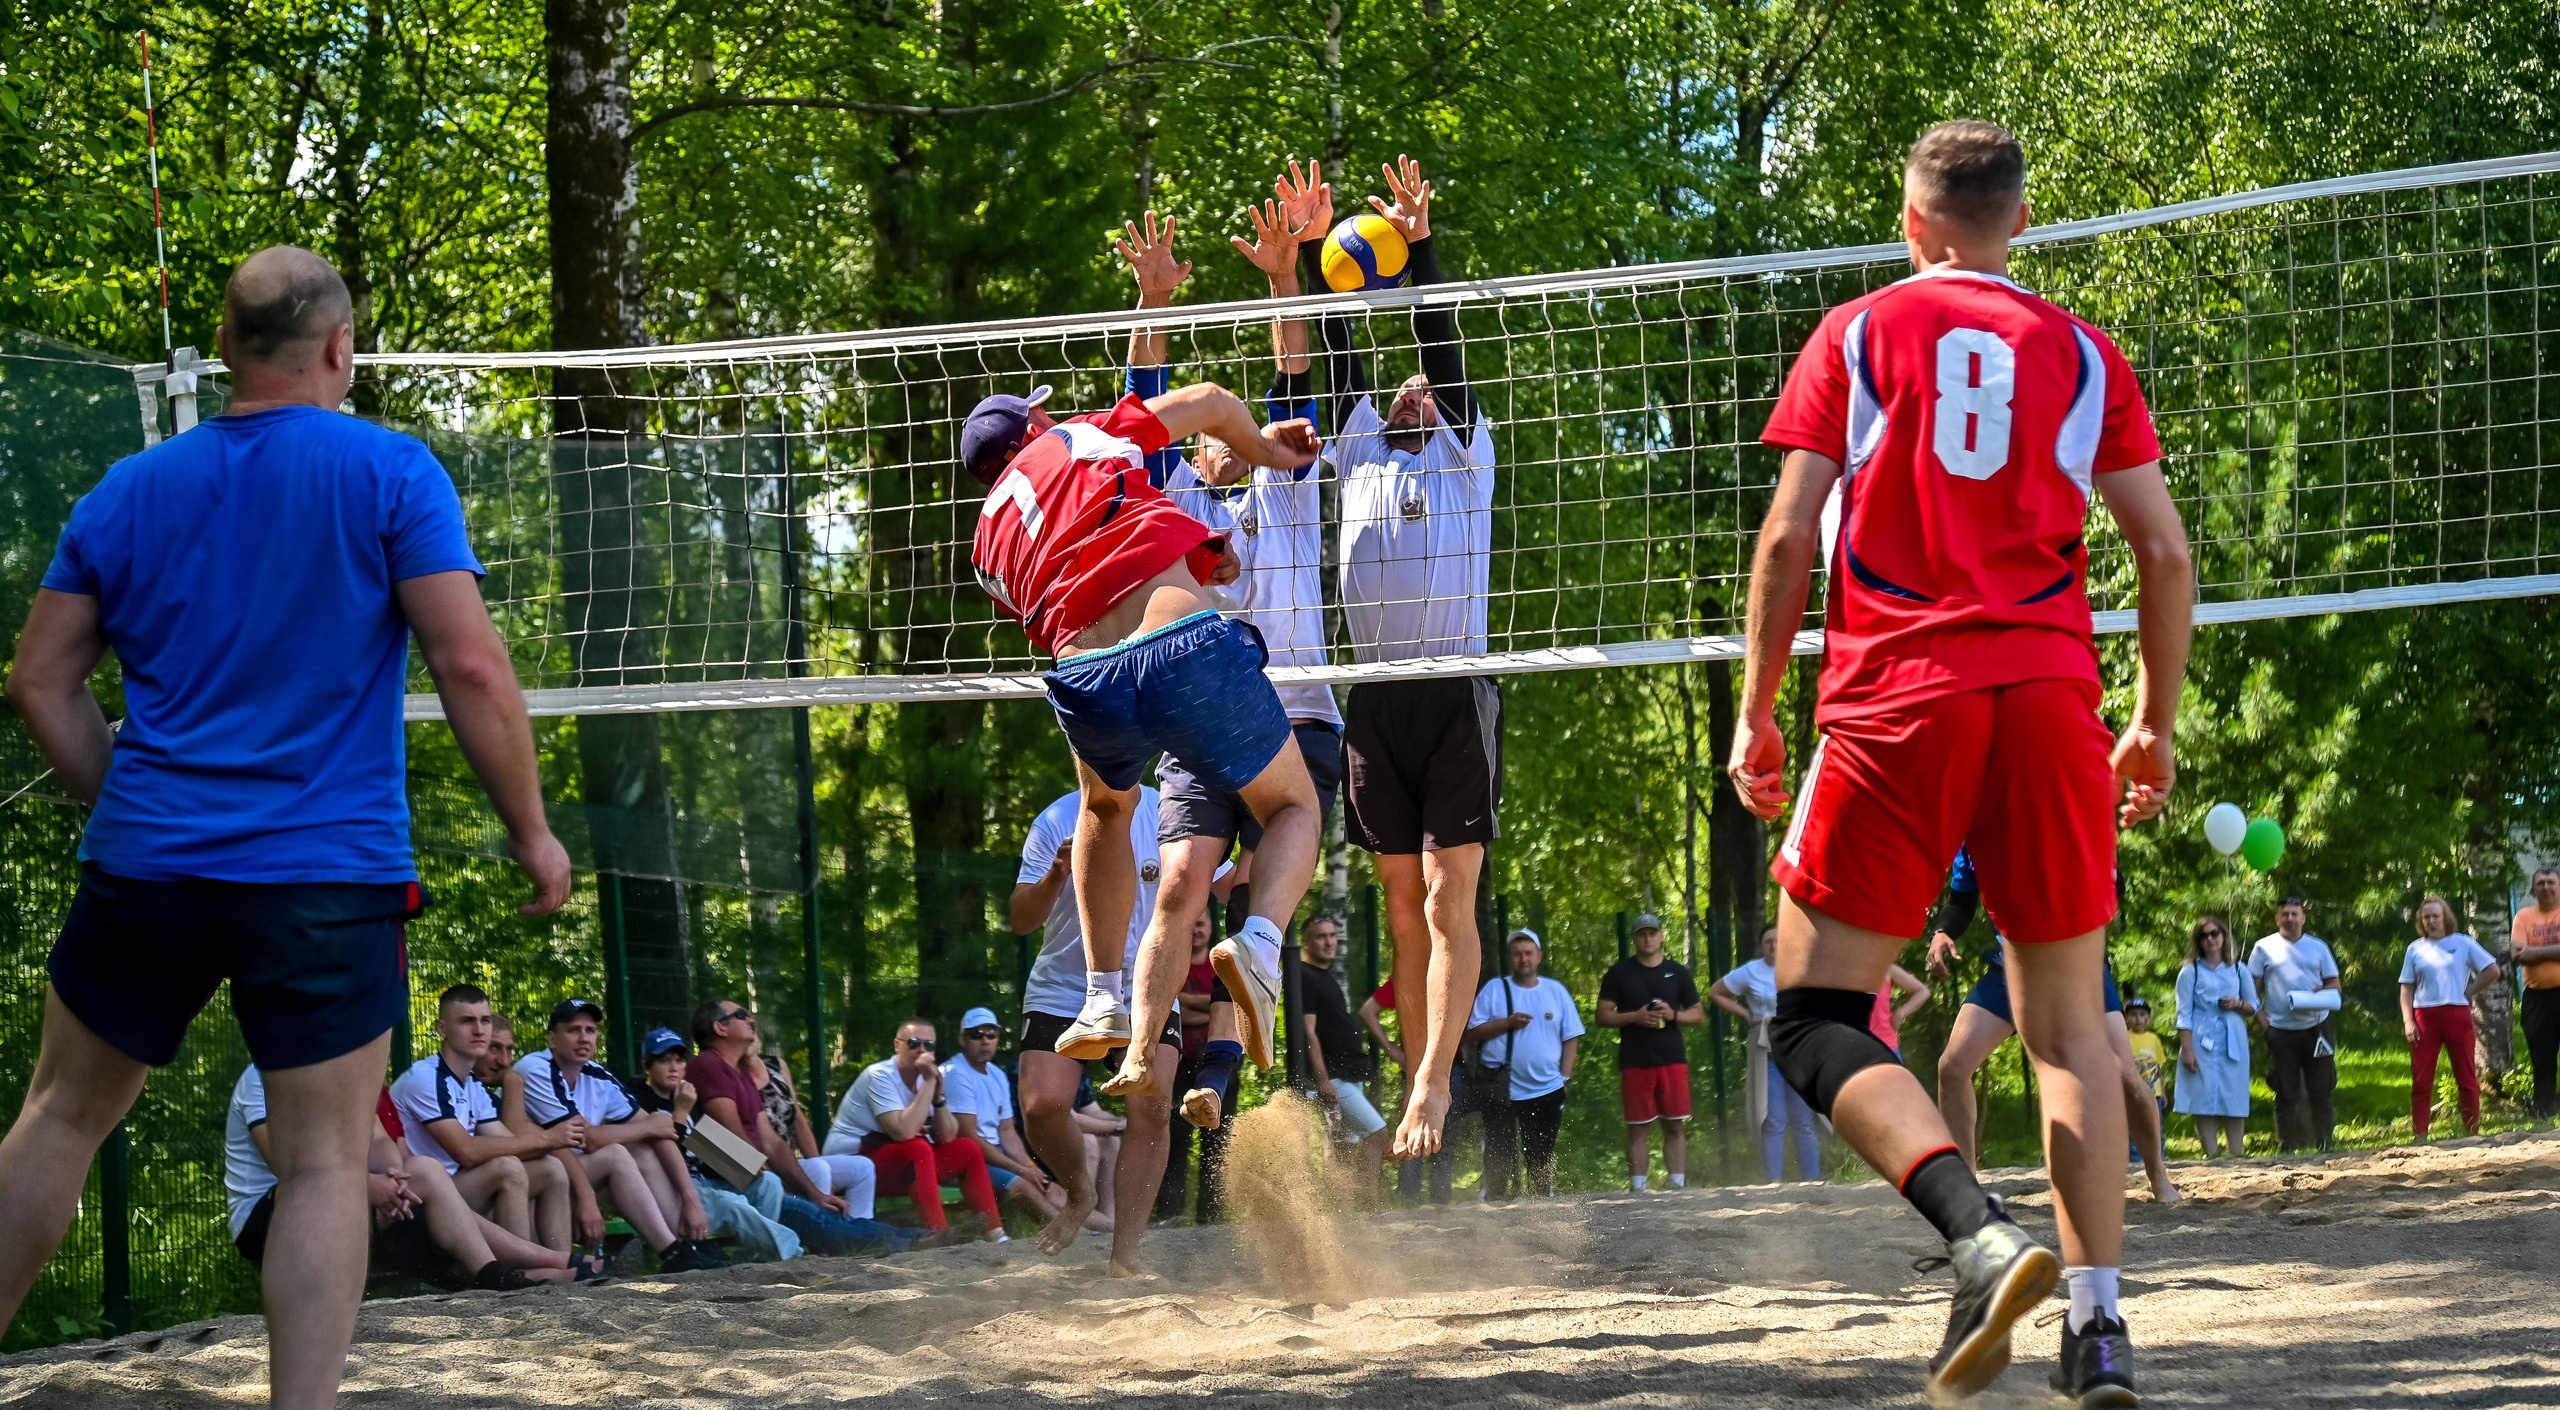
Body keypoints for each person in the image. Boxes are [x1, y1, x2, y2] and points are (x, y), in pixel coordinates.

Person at [0, 245, 571, 1410]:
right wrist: (531, 829)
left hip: (148, 867)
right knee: (320, 1165)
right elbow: (468, 663)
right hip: (325, 876)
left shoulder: (127, 490)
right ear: (339, 348)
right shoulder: (391, 471)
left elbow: (39, 684)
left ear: (224, 349)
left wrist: (128, 801)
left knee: (57, 1119)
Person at [1728, 121, 2193, 1403]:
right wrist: (2151, 721)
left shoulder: (1856, 333)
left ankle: (1978, 1237)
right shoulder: (2085, 350)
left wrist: (1758, 710)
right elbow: (2162, 550)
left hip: (1899, 697)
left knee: (1813, 1018)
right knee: (2070, 1031)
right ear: (2019, 221)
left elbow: (1788, 538)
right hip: (2049, 701)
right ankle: (2097, 1332)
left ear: (1911, 221)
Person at [961, 268, 1323, 1100]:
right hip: (1179, 649)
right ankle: (1260, 943)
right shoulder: (1078, 436)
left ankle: (1100, 997)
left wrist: (1196, 552)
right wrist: (1267, 450)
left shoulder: (985, 543)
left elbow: (1078, 570)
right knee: (1291, 807)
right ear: (1034, 426)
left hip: (1083, 675)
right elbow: (1205, 400)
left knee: (1104, 809)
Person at [1119, 181, 1348, 1109]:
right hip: (1204, 720)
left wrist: (1286, 277)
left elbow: (1294, 373)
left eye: (1231, 425)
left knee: (1263, 885)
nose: (1221, 435)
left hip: (1295, 708)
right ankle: (1141, 1049)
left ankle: (1231, 1030)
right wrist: (1153, 301)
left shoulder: (1284, 484)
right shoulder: (1173, 497)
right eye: (1207, 429)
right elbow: (1141, 408)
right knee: (1179, 886)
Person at [1314, 157, 1502, 1167]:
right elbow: (1337, 347)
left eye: (1430, 391)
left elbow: (1439, 340)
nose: (1416, 390)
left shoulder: (1465, 455)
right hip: (1375, 700)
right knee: (1399, 906)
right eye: (1406, 390)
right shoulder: (1358, 452)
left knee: (1443, 897)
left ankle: (1433, 1081)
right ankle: (1419, 1076)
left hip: (1453, 688)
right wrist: (1318, 250)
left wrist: (1418, 248)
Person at [1925, 849, 2177, 1203]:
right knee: (1952, 1067)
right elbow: (1961, 901)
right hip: (2012, 966)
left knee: (2123, 1076)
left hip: (2077, 961)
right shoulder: (1971, 839)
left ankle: (2157, 1175)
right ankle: (1966, 1187)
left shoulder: (2056, 818)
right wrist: (1942, 932)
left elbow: (2114, 886)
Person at [1006, 785, 1192, 1258]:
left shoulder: (1172, 811)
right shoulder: (1056, 818)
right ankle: (1080, 1193)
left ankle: (1125, 1254)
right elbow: (1020, 919)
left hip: (1146, 984)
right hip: (1066, 985)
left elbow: (1227, 880)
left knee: (1152, 1111)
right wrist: (1055, 876)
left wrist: (1273, 829)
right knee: (1042, 1106)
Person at [228, 1065, 594, 1291]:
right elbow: (286, 1166)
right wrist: (370, 1187)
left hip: (349, 1197)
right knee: (437, 1183)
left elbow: (379, 1141)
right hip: (270, 1216)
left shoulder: (342, 1071)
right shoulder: (262, 1077)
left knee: (423, 1179)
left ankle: (527, 1274)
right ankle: (541, 1264)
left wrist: (394, 1179)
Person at [508, 997, 722, 1273]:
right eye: (574, 1030)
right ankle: (674, 1251)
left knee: (643, 1151)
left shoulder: (599, 1076)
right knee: (619, 1153)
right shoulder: (535, 1068)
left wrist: (690, 1198)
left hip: (573, 1179)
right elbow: (585, 1139)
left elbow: (663, 1133)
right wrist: (657, 1124)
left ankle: (685, 1248)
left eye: (590, 1030)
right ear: (552, 1038)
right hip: (537, 1183)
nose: (584, 1037)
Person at [390, 985, 577, 1250]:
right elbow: (466, 1151)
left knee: (551, 1169)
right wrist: (547, 1139)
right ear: (442, 1029)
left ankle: (562, 1263)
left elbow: (510, 1143)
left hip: (456, 1188)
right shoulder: (426, 1078)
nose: (479, 1030)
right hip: (414, 1202)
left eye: (485, 1020)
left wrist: (551, 1141)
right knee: (507, 1169)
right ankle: (525, 1267)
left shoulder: (472, 1085)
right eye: (467, 1021)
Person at [687, 997, 857, 1246]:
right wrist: (761, 1170)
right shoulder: (708, 1064)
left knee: (823, 1215)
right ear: (720, 1028)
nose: (751, 1020)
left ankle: (905, 1238)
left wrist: (816, 1194)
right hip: (722, 1184)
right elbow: (730, 1136)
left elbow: (773, 1143)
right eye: (741, 1015)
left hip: (751, 1181)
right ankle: (904, 1240)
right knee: (821, 1222)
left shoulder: (739, 1072)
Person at [626, 1029, 794, 1263]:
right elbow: (664, 1153)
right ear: (647, 1067)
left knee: (769, 1183)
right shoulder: (636, 1101)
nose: (674, 1067)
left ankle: (757, 1257)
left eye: (679, 1060)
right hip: (675, 1186)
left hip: (706, 1178)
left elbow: (703, 1142)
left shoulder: (684, 1093)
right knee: (732, 1205)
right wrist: (681, 1112)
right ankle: (791, 1251)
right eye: (664, 1061)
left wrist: (745, 1163)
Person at [825, 1019, 1005, 1237]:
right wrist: (929, 1082)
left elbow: (947, 1136)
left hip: (895, 1165)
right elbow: (903, 1132)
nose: (922, 1050)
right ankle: (939, 1233)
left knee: (967, 1148)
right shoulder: (879, 1075)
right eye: (913, 1043)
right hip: (851, 1166)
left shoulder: (925, 1079)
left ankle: (996, 1233)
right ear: (897, 1045)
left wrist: (937, 1098)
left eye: (929, 1045)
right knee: (917, 1148)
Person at [1464, 930, 1584, 1199]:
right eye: (1517, 954)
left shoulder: (1556, 991)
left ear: (1539, 956)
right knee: (1498, 1152)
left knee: (1541, 1153)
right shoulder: (1495, 989)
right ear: (1510, 958)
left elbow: (1571, 1037)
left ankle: (1541, 1203)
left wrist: (1565, 1079)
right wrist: (1507, 1023)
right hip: (1501, 1087)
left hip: (1547, 1087)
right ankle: (1493, 1202)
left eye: (1528, 953)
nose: (1523, 959)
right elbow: (1472, 1031)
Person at [1596, 913, 1705, 1191]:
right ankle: (1638, 1188)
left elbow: (1698, 1013)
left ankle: (1677, 1184)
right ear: (1634, 938)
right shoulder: (1619, 973)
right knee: (1637, 1127)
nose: (1647, 939)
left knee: (1675, 1125)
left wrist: (1673, 1015)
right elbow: (1602, 1016)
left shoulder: (1678, 972)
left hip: (1672, 1059)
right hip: (1635, 1061)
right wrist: (1635, 1017)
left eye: (1652, 933)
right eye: (1642, 934)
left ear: (1661, 936)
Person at [944, 1006, 1071, 1225]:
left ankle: (1104, 1231)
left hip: (994, 1156)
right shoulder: (955, 1073)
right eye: (976, 1035)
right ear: (962, 1039)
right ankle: (1075, 1235)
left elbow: (1007, 1132)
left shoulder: (997, 1074)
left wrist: (1030, 1167)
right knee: (1028, 1189)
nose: (985, 1041)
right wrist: (1021, 1170)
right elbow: (968, 1136)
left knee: (1054, 1191)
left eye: (991, 1035)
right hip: (967, 1160)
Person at [1708, 927, 1817, 1183]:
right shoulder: (1751, 971)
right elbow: (1716, 992)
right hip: (1766, 1050)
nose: (1773, 946)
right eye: (1768, 941)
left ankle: (1813, 1182)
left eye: (1778, 941)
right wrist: (1747, 1015)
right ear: (1762, 946)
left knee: (1804, 1119)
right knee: (1773, 1119)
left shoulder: (1802, 967)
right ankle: (1773, 1183)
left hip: (1798, 1049)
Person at [1296, 916, 1389, 1206]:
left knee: (1343, 1146)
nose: (1329, 942)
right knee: (1378, 1133)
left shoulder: (1324, 975)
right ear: (1305, 942)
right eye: (1320, 936)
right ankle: (1369, 1203)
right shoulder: (1304, 976)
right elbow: (1308, 1031)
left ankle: (1341, 1209)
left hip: (1348, 1074)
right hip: (1333, 1078)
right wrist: (1323, 1080)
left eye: (1332, 935)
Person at [2399, 895, 2501, 1140]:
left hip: (2457, 1013)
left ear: (2445, 918)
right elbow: (2407, 986)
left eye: (2436, 916)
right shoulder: (2415, 949)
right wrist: (2408, 1021)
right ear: (2421, 921)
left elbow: (2492, 970)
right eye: (2426, 917)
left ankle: (2471, 1131)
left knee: (2466, 1076)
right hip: (2425, 1016)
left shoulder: (2463, 943)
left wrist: (2470, 991)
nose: (2431, 921)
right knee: (2421, 1079)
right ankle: (2420, 1135)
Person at [1359, 973, 1466, 1206]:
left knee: (1445, 1137)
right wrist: (1392, 1051)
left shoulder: (1454, 974)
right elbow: (1368, 1010)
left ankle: (1440, 1202)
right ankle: (1409, 1201)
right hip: (1416, 1070)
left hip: (1450, 1069)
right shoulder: (1407, 976)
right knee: (1412, 1133)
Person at [2246, 897, 2342, 1152]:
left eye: (2294, 914)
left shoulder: (2318, 947)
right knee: (2286, 1090)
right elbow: (2252, 989)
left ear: (2303, 918)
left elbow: (2334, 983)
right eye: (2285, 914)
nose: (2290, 918)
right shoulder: (2263, 948)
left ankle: (2326, 1143)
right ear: (2277, 918)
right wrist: (2262, 1021)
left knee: (2321, 1089)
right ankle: (2286, 1146)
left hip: (2317, 1027)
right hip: (2280, 1030)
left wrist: (2322, 991)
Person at [2173, 917, 2258, 1157]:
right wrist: (2188, 1050)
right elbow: (2183, 1014)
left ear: (2223, 936)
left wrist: (2237, 1004)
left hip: (2232, 1035)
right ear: (2198, 941)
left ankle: (2237, 1152)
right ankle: (2211, 1154)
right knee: (2202, 1094)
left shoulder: (2238, 969)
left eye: (2214, 934)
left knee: (2234, 1093)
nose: (2210, 939)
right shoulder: (2190, 972)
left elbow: (2254, 1006)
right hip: (2202, 1036)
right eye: (2204, 935)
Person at [2516, 868, 2560, 1120]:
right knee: (2542, 1056)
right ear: (2533, 890)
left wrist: (2534, 952)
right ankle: (2544, 1109)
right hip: (2536, 998)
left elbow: (2527, 953)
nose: (2546, 887)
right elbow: (2517, 955)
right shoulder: (2523, 917)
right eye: (2540, 883)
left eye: (2551, 882)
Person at [2121, 998, 2169, 1126]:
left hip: (2154, 1092)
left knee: (2155, 1124)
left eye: (2142, 1014)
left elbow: (2158, 1066)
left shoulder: (2154, 1039)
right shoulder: (2124, 1038)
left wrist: (2163, 1092)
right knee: (2134, 1124)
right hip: (2133, 1092)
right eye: (2133, 1015)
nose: (2138, 1019)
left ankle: (2158, 1140)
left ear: (2148, 1017)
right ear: (2126, 1018)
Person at [1872, 963, 1931, 1056]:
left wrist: (1900, 1013)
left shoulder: (1886, 967)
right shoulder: (1846, 969)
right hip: (1852, 1046)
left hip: (1886, 1046)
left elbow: (1923, 991)